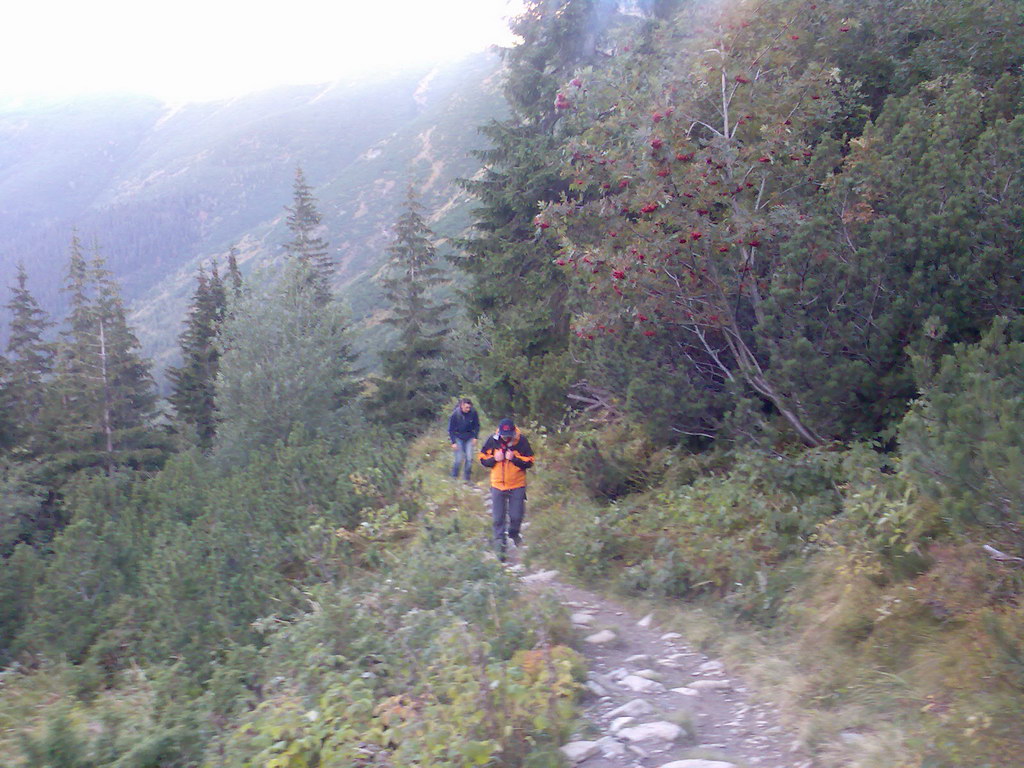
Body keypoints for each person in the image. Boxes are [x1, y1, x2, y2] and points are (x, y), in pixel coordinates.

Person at [478, 418, 535, 561]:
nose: (505, 436)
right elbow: (482, 458)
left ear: (513, 431)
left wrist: (514, 458)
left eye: (508, 434)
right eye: (503, 434)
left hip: (517, 484)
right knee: (498, 519)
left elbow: (530, 461)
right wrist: (494, 459)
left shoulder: (521, 441)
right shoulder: (492, 440)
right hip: (497, 485)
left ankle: (514, 534)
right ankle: (500, 552)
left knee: (516, 516)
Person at [448, 398, 480, 482]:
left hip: (469, 437)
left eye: (469, 407)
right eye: (466, 407)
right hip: (458, 437)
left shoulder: (473, 413)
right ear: (461, 406)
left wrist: (475, 437)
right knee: (458, 459)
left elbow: (477, 425)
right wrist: (453, 442)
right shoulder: (455, 414)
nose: (468, 409)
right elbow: (451, 429)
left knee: (469, 459)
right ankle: (454, 478)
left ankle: (466, 479)